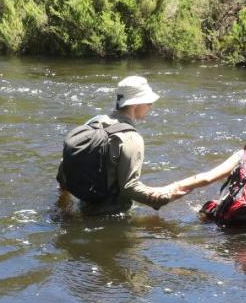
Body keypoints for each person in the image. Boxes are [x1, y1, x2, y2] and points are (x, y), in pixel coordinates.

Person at [57, 76, 186, 215]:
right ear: (135, 104)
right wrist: (165, 197)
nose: (151, 106)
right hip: (112, 216)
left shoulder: (94, 122)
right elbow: (129, 187)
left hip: (84, 204)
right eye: (148, 102)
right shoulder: (131, 137)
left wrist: (63, 200)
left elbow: (65, 166)